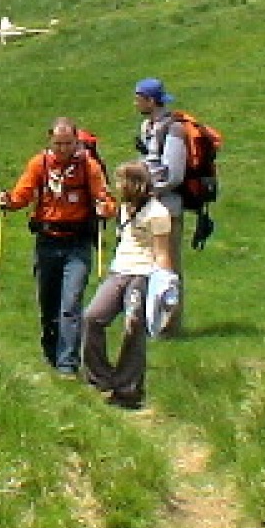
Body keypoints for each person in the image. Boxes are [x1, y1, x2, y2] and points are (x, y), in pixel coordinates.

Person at [0, 118, 115, 374]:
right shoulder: (39, 164)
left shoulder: (88, 166)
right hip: (47, 242)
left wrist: (105, 208)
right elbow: (22, 194)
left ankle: (67, 364)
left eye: (68, 143)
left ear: (76, 141)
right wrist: (8, 201)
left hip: (78, 243)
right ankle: (51, 350)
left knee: (71, 304)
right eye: (58, 143)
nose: (63, 149)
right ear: (50, 140)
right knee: (48, 304)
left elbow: (105, 197)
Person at [82, 161, 175, 408]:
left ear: (137, 184)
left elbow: (162, 252)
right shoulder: (124, 208)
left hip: (142, 274)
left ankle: (128, 388)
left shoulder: (158, 213)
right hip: (119, 270)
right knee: (92, 317)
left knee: (133, 325)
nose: (119, 186)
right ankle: (99, 379)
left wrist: (166, 287)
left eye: (123, 181)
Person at [134, 77, 189, 335]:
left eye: (139, 98)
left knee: (168, 266)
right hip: (150, 204)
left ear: (151, 100)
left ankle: (170, 326)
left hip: (168, 206)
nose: (136, 103)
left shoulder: (174, 129)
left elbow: (175, 173)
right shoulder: (147, 126)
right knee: (149, 263)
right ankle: (152, 321)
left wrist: (151, 189)